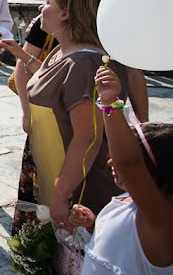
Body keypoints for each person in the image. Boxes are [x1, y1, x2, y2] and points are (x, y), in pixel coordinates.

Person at [0, 0, 127, 229]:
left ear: (66, 13)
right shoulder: (62, 52)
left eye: (47, 3)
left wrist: (61, 192)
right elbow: (52, 85)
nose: (40, 8)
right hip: (57, 174)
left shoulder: (84, 64)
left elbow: (88, 138)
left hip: (79, 189)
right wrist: (22, 56)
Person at [66, 66, 173, 273]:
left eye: (122, 155)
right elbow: (124, 239)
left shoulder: (162, 219)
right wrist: (94, 224)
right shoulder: (128, 200)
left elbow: (128, 165)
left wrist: (110, 103)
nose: (110, 162)